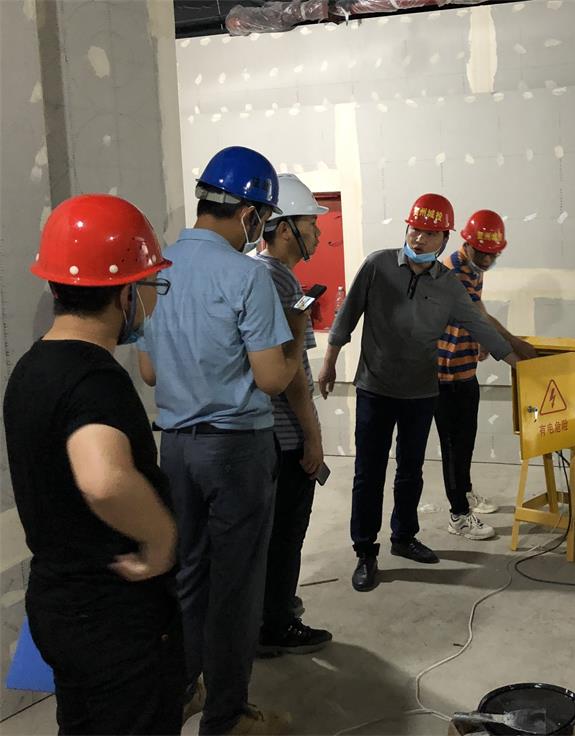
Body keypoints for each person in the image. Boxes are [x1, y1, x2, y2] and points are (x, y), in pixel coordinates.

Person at [137, 147, 306, 735]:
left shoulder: (158, 268)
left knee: (187, 574)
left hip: (176, 449)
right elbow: (272, 378)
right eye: (264, 217)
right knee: (236, 586)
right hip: (235, 449)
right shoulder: (246, 275)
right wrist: (295, 334)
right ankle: (226, 718)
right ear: (250, 214)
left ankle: (186, 688)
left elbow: (149, 372)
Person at [3, 194, 184, 734]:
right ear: (125, 293)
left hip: (58, 601)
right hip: (111, 614)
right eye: (150, 285)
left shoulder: (30, 368)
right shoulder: (96, 379)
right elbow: (103, 480)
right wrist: (160, 540)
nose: (151, 300)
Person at [318, 194, 521, 593]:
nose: (419, 238)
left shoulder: (448, 285)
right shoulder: (378, 265)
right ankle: (365, 550)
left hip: (421, 393)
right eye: (415, 230)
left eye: (430, 233)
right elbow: (348, 315)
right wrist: (329, 362)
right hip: (375, 389)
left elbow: (478, 325)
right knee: (368, 472)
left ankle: (404, 537)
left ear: (444, 239)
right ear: (407, 229)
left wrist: (518, 361)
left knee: (410, 471)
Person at [252, 173, 332, 656]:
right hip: (283, 435)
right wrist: (312, 436)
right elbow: (294, 372)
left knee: (266, 534)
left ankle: (269, 607)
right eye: (310, 225)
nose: (318, 233)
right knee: (285, 534)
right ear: (285, 229)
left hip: (257, 433)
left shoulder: (252, 271)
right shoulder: (278, 279)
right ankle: (277, 623)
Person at [436, 210, 537, 541]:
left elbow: (476, 314)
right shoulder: (452, 272)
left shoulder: (473, 268)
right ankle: (458, 515)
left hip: (465, 367)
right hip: (445, 373)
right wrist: (515, 346)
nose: (489, 260)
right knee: (454, 445)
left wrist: (478, 341)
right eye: (483, 253)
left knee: (466, 440)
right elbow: (479, 319)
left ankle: (464, 494)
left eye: (494, 254)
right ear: (467, 244)